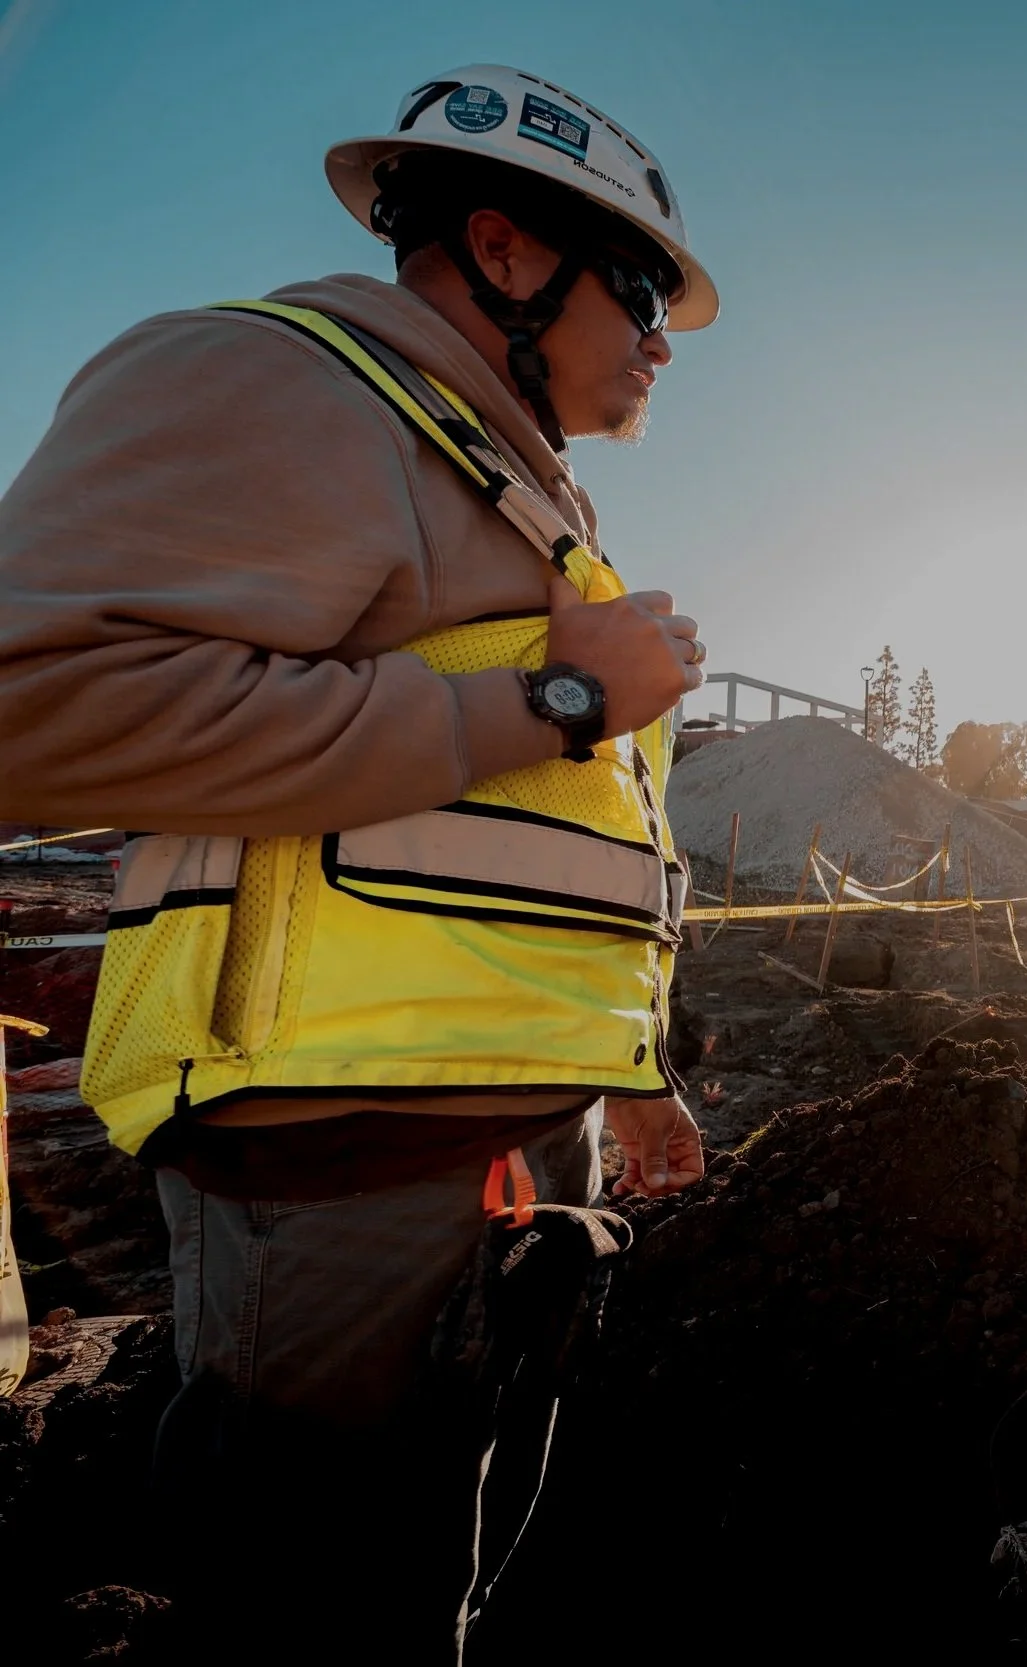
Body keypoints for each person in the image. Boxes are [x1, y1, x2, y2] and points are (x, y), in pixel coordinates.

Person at [0, 65, 717, 1658]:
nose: (667, 336)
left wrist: (633, 1070)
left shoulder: (513, 488)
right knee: (308, 1604)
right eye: (647, 286)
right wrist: (560, 694)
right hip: (334, 1163)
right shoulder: (278, 380)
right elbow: (28, 708)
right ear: (508, 252)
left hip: (519, 1130)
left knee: (438, 1576)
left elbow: (555, 851)